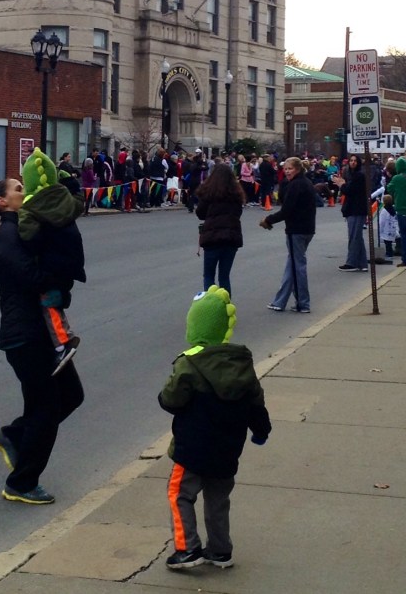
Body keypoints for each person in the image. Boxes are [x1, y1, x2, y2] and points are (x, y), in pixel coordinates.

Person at [158, 285, 271, 571]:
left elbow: (171, 400)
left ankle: (187, 548)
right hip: (227, 450)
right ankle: (220, 551)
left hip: (191, 450)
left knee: (179, 494)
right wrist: (261, 431)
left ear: (194, 326)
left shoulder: (189, 364)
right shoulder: (241, 365)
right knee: (218, 499)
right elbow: (256, 404)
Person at [0, 177, 84, 504]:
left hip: (43, 333)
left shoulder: (27, 229)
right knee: (46, 408)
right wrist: (57, 285)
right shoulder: (8, 235)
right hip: (24, 337)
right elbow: (29, 277)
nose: (24, 192)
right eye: (17, 189)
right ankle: (21, 482)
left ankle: (14, 435)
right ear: (2, 202)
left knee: (71, 395)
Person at [18, 148, 86, 372]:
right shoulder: (65, 198)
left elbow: (29, 236)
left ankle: (62, 343)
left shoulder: (31, 206)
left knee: (48, 303)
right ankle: (62, 333)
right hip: (72, 262)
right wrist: (71, 183)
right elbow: (79, 201)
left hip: (51, 264)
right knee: (58, 295)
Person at [261, 157, 316, 313]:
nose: (287, 171)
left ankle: (303, 303)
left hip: (296, 230)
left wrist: (268, 220)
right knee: (292, 266)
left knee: (298, 267)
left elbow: (286, 210)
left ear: (298, 169)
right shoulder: (305, 183)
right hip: (306, 229)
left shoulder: (296, 185)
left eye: (290, 168)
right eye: (285, 169)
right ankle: (280, 301)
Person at [195, 163, 245, 296]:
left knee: (209, 275)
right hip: (231, 236)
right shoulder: (236, 194)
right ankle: (225, 303)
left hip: (212, 236)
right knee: (224, 276)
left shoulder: (208, 193)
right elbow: (238, 213)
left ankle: (210, 304)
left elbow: (200, 213)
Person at [333, 155, 368, 272]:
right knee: (357, 237)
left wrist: (342, 184)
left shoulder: (359, 175)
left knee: (354, 237)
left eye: (355, 161)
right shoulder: (352, 175)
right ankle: (362, 263)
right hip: (353, 209)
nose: (353, 163)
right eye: (351, 161)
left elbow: (349, 191)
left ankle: (352, 263)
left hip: (356, 209)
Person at [376, 193, 399, 264]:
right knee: (390, 241)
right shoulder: (393, 209)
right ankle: (390, 252)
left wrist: (380, 230)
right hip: (393, 228)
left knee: (387, 242)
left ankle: (389, 253)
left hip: (386, 229)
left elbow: (381, 222)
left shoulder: (384, 211)